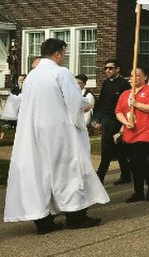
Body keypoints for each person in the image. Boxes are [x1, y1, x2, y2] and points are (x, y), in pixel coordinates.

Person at [4, 38, 107, 234]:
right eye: (64, 53)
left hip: (33, 133)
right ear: (58, 53)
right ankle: (75, 216)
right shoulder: (61, 72)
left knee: (38, 174)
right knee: (68, 171)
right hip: (58, 133)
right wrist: (85, 105)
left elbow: (21, 102)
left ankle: (43, 221)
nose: (64, 57)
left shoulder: (32, 76)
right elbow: (74, 101)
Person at [115, 66, 149, 203]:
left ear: (145, 77)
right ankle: (139, 191)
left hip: (146, 131)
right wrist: (125, 122)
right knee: (135, 163)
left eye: (137, 75)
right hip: (130, 132)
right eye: (131, 76)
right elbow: (118, 111)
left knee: (138, 159)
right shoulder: (125, 94)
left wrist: (137, 104)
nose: (133, 78)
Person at [93, 58, 132, 185]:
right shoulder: (105, 83)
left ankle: (99, 179)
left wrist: (124, 124)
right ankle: (126, 174)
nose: (107, 70)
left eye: (110, 68)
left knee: (107, 150)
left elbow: (127, 106)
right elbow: (101, 103)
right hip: (106, 120)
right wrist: (97, 120)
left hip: (118, 121)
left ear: (117, 69)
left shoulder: (124, 85)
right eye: (106, 68)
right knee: (118, 150)